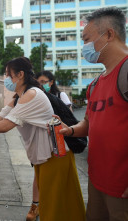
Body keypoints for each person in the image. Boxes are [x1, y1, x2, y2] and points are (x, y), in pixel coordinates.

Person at [0, 57, 86, 221]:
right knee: (53, 206)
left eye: (8, 74)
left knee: (55, 208)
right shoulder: (21, 96)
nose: (6, 79)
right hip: (45, 157)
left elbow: (5, 126)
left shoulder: (32, 95)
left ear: (20, 74)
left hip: (55, 157)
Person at [58, 7, 128, 221]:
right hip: (97, 181)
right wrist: (67, 130)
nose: (84, 47)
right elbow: (89, 123)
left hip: (122, 188)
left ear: (109, 34)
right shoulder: (96, 83)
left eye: (87, 39)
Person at [23, 71, 74, 221]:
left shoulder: (61, 97)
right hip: (40, 141)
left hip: (58, 142)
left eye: (44, 81)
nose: (42, 84)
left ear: (51, 82)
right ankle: (35, 206)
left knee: (57, 178)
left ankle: (56, 207)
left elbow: (68, 117)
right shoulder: (35, 96)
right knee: (38, 177)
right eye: (39, 81)